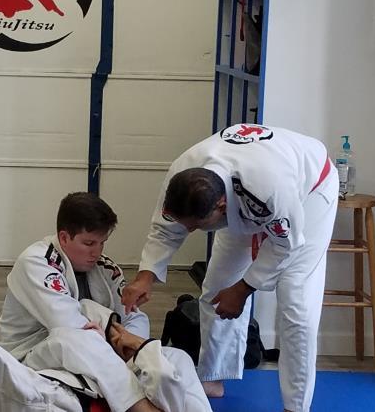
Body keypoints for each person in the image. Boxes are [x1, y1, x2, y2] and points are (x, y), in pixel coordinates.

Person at [0, 192, 212, 412]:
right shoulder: (36, 262)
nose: (96, 252)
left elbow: (133, 317)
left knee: (177, 357)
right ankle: (138, 407)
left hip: (94, 370)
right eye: (89, 243)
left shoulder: (105, 268)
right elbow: (68, 325)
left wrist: (128, 343)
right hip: (35, 362)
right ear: (64, 237)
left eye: (102, 243)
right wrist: (113, 333)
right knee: (77, 337)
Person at [122, 123, 339, 412]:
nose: (190, 230)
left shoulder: (269, 190)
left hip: (310, 190)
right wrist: (145, 277)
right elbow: (165, 230)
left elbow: (285, 246)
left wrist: (243, 289)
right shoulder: (182, 175)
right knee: (217, 287)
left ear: (221, 206)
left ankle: (295, 406)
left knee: (296, 302)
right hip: (249, 183)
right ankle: (213, 377)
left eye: (197, 226)